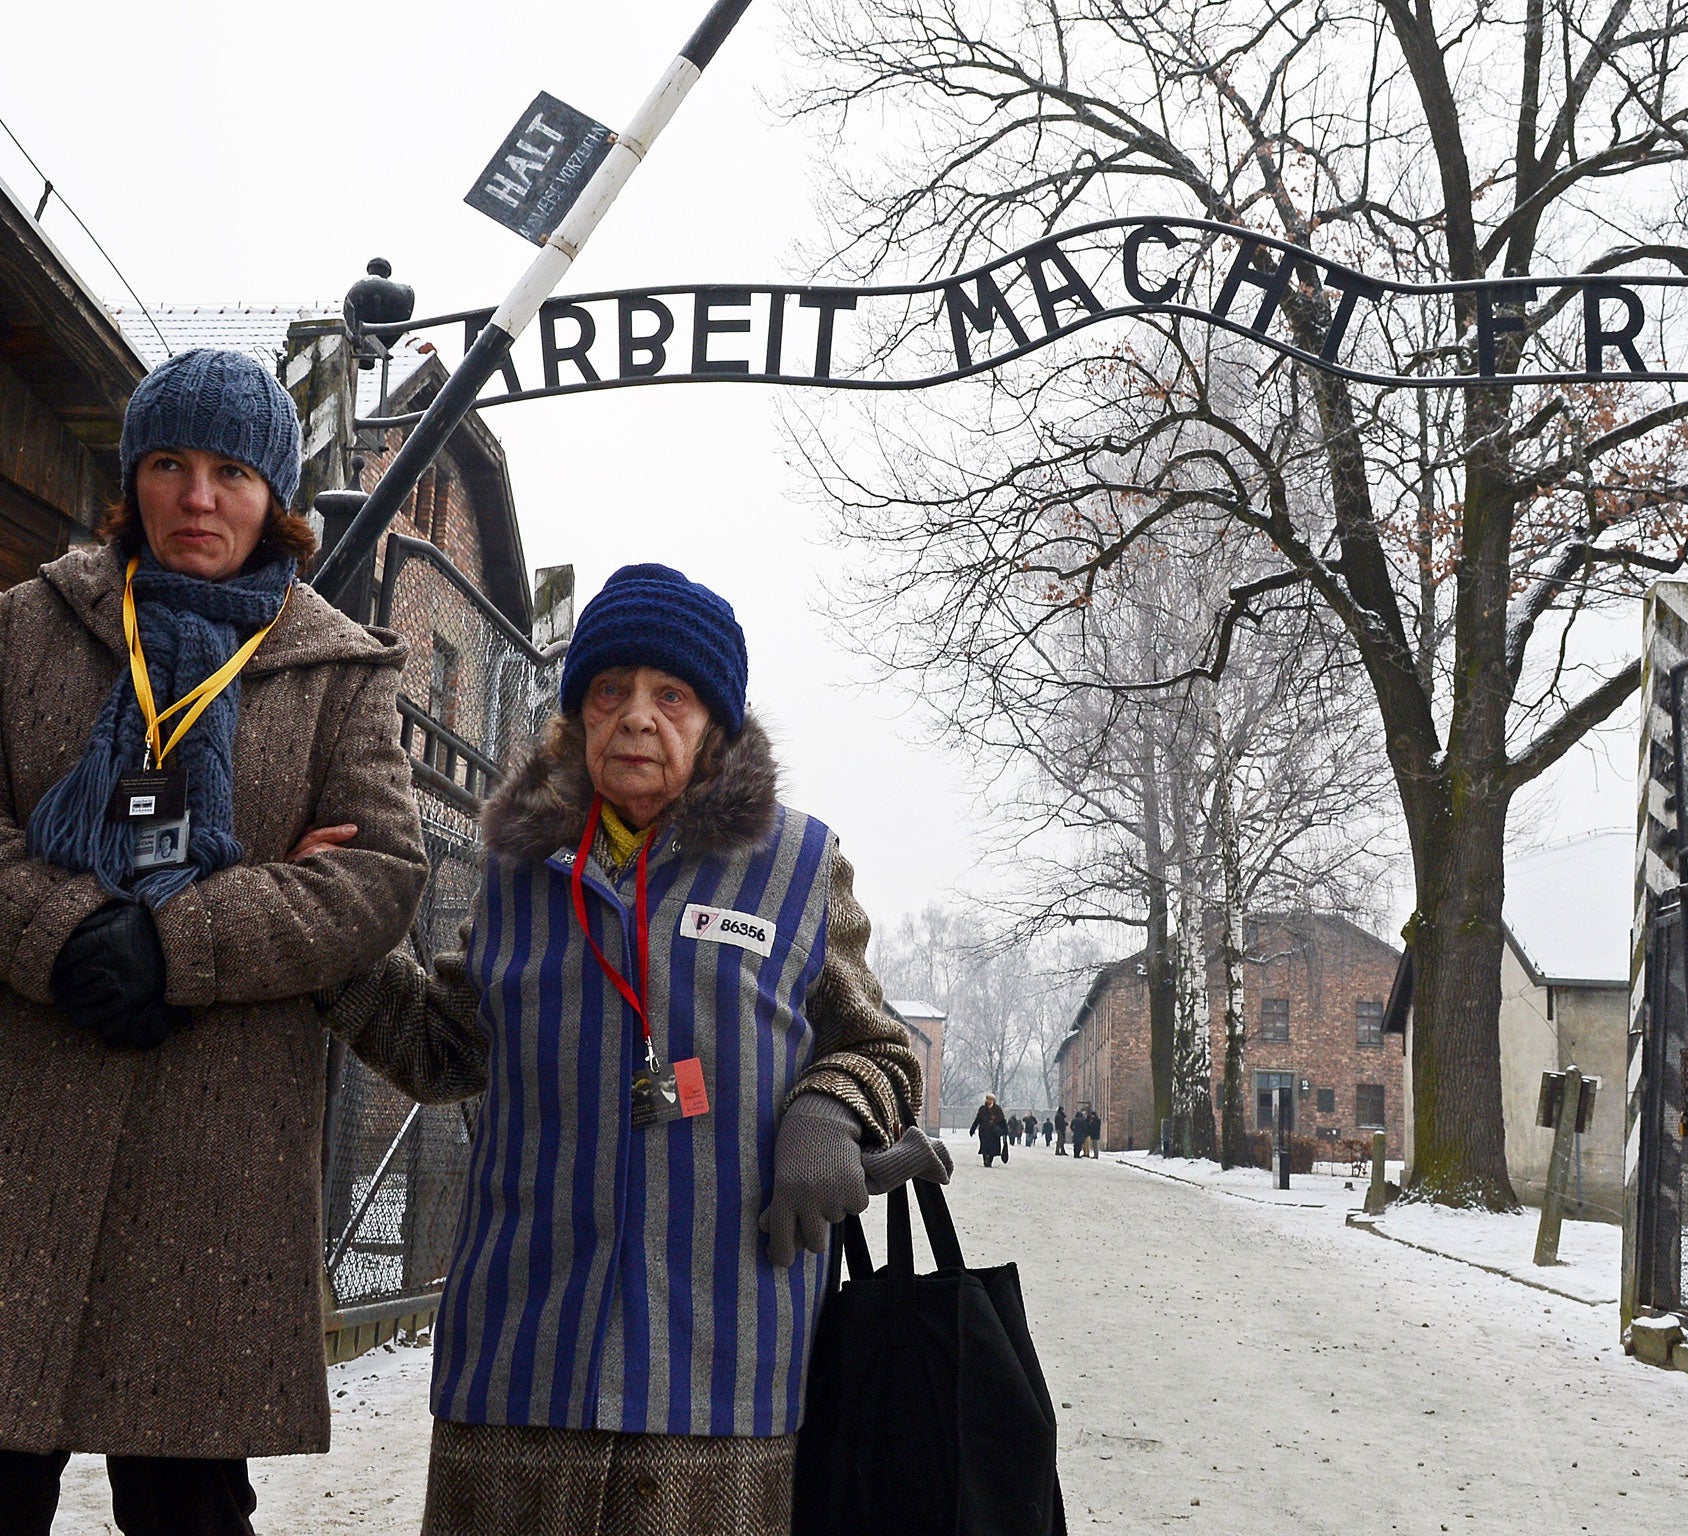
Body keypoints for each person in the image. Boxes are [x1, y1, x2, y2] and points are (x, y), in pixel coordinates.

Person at [321, 563, 949, 1536]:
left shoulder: (795, 867)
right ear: (578, 716)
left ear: (717, 726)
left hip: (723, 1380)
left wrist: (826, 1115)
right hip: (519, 1371)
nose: (637, 717)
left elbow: (879, 1050)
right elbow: (442, 1048)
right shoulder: (523, 871)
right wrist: (334, 942)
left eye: (673, 695)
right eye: (609, 691)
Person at [0, 349, 430, 1536]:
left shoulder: (338, 670)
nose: (198, 497)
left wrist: (177, 943)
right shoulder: (27, 630)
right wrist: (65, 931)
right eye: (170, 464)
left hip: (216, 1149)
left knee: (189, 1508)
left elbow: (378, 874)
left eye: (231, 471)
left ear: (275, 496)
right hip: (20, 1134)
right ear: (132, 479)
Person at [971, 1093, 1007, 1168]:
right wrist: (972, 1129)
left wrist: (1005, 1131)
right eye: (988, 1099)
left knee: (993, 1147)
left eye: (990, 1099)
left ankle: (990, 1159)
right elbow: (978, 1119)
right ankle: (985, 1159)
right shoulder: (982, 1109)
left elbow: (1002, 1121)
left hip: (994, 1132)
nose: (989, 1100)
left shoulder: (997, 1109)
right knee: (984, 1145)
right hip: (984, 1131)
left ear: (993, 1100)